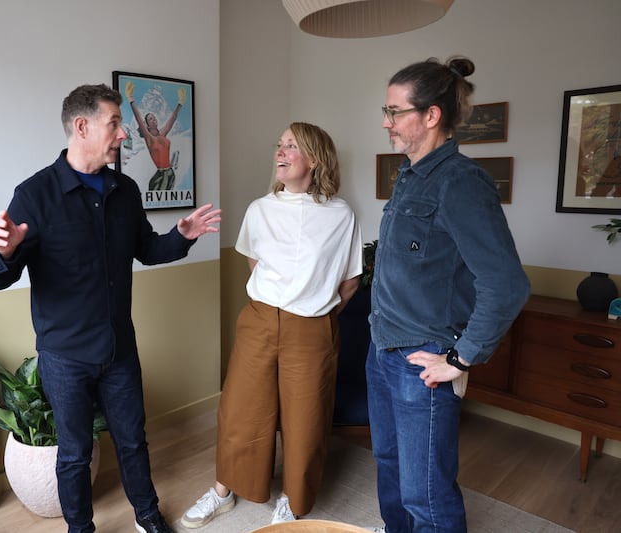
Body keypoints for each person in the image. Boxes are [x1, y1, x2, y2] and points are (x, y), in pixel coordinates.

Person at [0, 83, 221, 533]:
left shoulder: (126, 190)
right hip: (65, 357)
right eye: (115, 124)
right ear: (82, 126)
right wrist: (6, 252)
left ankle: (148, 516)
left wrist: (182, 236)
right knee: (74, 453)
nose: (123, 135)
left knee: (133, 441)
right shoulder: (35, 194)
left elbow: (147, 250)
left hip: (119, 350)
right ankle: (80, 528)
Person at [366, 57, 530, 533]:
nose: (386, 121)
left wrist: (460, 360)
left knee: (427, 494)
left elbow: (507, 284)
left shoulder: (461, 183)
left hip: (424, 361)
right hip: (383, 349)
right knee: (391, 467)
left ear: (431, 115)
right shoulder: (410, 174)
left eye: (395, 111)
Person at [180, 122, 363, 529]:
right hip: (260, 320)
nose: (280, 152)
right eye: (278, 144)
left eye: (291, 146)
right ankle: (224, 489)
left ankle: (292, 502)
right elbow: (255, 264)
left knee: (306, 419)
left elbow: (350, 280)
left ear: (315, 159)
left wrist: (316, 312)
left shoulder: (341, 215)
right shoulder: (260, 209)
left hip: (312, 326)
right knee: (240, 410)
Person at [124, 80, 184, 191]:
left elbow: (173, 118)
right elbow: (138, 117)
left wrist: (180, 103)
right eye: (150, 119)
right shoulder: (149, 138)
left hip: (170, 173)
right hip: (161, 175)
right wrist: (130, 98)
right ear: (146, 124)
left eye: (154, 117)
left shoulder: (162, 134)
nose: (154, 119)